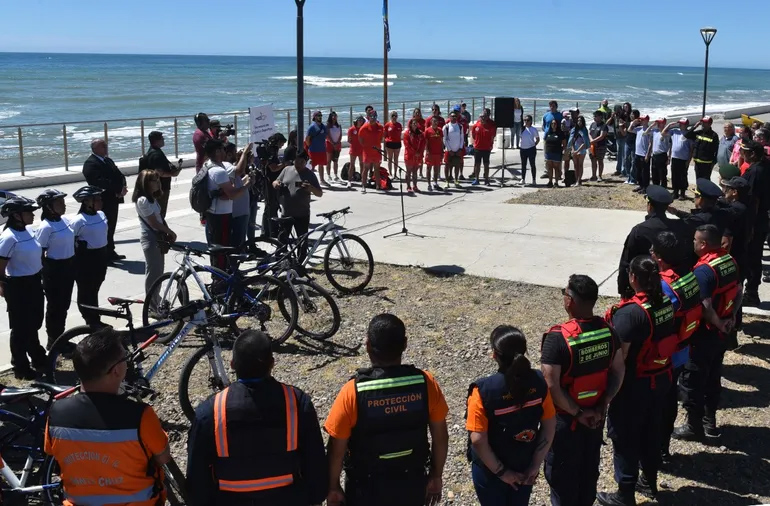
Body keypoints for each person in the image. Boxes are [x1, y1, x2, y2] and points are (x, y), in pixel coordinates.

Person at [187, 329, 328, 506]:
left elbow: (196, 481)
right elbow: (316, 468)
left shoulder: (212, 411)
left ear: (232, 364)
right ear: (272, 363)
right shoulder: (297, 403)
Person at [325, 314, 449, 506]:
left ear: (367, 345)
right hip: (412, 483)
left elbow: (336, 449)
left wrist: (332, 487)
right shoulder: (426, 383)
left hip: (365, 488)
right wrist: (436, 475)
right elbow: (440, 437)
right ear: (405, 344)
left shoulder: (352, 392)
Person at [45, 327, 171, 506]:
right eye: (125, 359)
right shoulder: (140, 415)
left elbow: (52, 453)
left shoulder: (56, 413)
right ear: (116, 371)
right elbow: (163, 457)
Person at [600, 255, 678, 506]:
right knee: (651, 430)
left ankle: (624, 494)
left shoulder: (630, 314)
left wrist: (606, 394)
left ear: (633, 278)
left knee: (625, 437)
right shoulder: (665, 302)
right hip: (662, 379)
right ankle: (650, 480)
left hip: (635, 386)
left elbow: (619, 358)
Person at [541, 275, 625, 506]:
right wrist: (602, 404)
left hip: (567, 422)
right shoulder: (609, 332)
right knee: (588, 472)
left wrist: (578, 413)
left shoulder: (557, 339)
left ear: (570, 301)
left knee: (562, 480)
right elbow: (619, 371)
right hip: (596, 419)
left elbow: (551, 386)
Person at [466, 325, 556, 506]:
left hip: (490, 472)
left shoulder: (482, 391)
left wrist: (502, 472)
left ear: (494, 355)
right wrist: (534, 465)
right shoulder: (539, 381)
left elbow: (478, 440)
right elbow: (549, 426)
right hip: (524, 465)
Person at [673, 224, 738, 442]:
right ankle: (710, 422)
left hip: (705, 333)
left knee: (693, 379)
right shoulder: (729, 260)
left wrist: (719, 323)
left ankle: (693, 425)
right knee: (713, 375)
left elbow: (704, 305)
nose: (692, 243)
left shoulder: (704, 271)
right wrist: (731, 318)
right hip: (722, 332)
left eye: (694, 240)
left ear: (702, 244)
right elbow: (738, 292)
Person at [650, 231, 702, 463]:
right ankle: (663, 446)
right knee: (670, 400)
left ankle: (656, 451)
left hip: (664, 358)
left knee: (657, 405)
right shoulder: (688, 277)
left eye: (652, 251)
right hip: (683, 351)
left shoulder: (662, 287)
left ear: (659, 258)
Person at [617, 185, 692, 299]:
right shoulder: (680, 226)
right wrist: (676, 212)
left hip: (646, 284)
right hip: (674, 282)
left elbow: (626, 262)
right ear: (667, 207)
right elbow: (693, 219)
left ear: (650, 206)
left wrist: (623, 290)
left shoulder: (639, 230)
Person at [0, 196, 47, 380]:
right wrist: (3, 287)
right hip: (18, 286)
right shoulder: (8, 237)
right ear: (17, 216)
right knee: (20, 328)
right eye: (28, 212)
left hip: (34, 282)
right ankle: (20, 366)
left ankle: (37, 356)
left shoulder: (27, 231)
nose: (33, 215)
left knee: (34, 323)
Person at [34, 189, 75, 349]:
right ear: (49, 207)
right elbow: (40, 253)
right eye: (59, 203)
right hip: (54, 270)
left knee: (64, 306)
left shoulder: (64, 221)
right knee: (55, 307)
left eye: (63, 202)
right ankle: (54, 341)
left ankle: (60, 338)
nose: (63, 206)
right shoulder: (46, 227)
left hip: (69, 267)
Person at [203, 139, 251, 269]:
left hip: (211, 213)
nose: (225, 151)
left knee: (216, 247)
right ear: (218, 151)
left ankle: (218, 277)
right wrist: (247, 185)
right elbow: (232, 195)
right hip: (221, 215)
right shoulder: (219, 172)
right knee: (222, 248)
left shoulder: (207, 165)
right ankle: (221, 280)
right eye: (222, 149)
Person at [82, 138, 127, 264]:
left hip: (114, 198)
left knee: (111, 226)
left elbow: (119, 175)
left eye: (106, 146)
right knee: (104, 227)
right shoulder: (90, 163)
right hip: (102, 200)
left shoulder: (108, 160)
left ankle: (110, 250)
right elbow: (98, 182)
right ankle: (103, 254)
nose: (106, 148)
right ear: (95, 149)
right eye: (103, 146)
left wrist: (122, 187)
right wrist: (117, 188)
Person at [133, 170, 177, 296]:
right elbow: (154, 223)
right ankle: (152, 304)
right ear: (145, 183)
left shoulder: (152, 198)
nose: (158, 183)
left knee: (158, 272)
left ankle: (155, 300)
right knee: (153, 273)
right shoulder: (143, 200)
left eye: (158, 180)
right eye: (154, 180)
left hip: (157, 237)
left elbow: (159, 219)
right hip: (150, 238)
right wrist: (170, 232)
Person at [71, 185, 109, 328]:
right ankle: (90, 319)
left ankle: (95, 318)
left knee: (95, 288)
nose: (101, 201)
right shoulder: (79, 221)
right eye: (97, 199)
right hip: (86, 259)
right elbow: (71, 240)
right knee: (86, 290)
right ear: (87, 202)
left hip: (101, 255)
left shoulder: (102, 215)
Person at [273, 150, 323, 257]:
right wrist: (276, 183)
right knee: (282, 240)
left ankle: (300, 263)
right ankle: (278, 261)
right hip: (286, 213)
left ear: (306, 162)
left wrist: (311, 188)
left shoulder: (310, 175)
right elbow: (275, 181)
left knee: (302, 242)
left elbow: (319, 193)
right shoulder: (286, 170)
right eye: (297, 161)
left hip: (302, 214)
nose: (299, 164)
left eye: (302, 162)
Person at [741, 140, 770, 307]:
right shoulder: (765, 166)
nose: (742, 153)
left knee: (751, 258)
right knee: (754, 257)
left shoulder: (755, 171)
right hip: (761, 220)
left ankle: (751, 293)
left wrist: (749, 225)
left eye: (745, 151)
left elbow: (753, 201)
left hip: (754, 221)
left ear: (753, 154)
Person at [144, 130, 181, 218]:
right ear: (157, 141)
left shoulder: (151, 152)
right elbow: (159, 172)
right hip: (161, 188)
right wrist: (173, 174)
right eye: (162, 139)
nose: (163, 140)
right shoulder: (157, 154)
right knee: (160, 212)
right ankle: (159, 230)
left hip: (155, 187)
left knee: (156, 211)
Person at [224, 143, 254, 248]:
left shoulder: (229, 168)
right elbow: (240, 170)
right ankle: (233, 264)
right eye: (234, 152)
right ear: (227, 154)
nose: (236, 154)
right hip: (237, 213)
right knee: (236, 246)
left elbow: (235, 183)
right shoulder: (226, 167)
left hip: (240, 211)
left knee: (238, 243)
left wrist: (245, 180)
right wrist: (245, 153)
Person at [357, 110, 385, 193]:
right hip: (367, 152)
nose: (372, 119)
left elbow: (381, 138)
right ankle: (363, 186)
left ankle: (378, 185)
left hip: (377, 151)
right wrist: (366, 146)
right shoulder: (364, 127)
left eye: (374, 117)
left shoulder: (380, 127)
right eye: (371, 117)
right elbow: (360, 138)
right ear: (368, 117)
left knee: (377, 169)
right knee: (366, 169)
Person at [668, 118, 694, 200]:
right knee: (674, 175)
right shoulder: (675, 131)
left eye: (681, 124)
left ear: (686, 125)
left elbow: (691, 149)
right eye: (679, 123)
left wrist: (689, 161)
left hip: (684, 159)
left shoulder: (689, 134)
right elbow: (663, 133)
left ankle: (682, 193)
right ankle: (675, 192)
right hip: (675, 157)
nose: (680, 125)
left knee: (682, 176)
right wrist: (669, 125)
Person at [471, 109, 496, 186]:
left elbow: (492, 136)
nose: (483, 118)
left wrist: (491, 145)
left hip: (486, 148)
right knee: (477, 164)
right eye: (481, 117)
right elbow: (473, 135)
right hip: (478, 148)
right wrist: (474, 144)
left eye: (484, 117)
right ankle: (477, 179)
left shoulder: (490, 126)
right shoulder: (476, 125)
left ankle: (486, 180)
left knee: (486, 165)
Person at [628, 115, 652, 193]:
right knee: (638, 171)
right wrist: (633, 123)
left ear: (647, 121)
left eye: (643, 120)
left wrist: (647, 154)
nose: (641, 121)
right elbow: (629, 130)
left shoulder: (649, 130)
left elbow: (650, 144)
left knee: (645, 172)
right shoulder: (639, 129)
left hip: (644, 154)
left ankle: (645, 187)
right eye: (640, 120)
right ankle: (641, 185)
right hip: (637, 153)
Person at [305, 111, 328, 186]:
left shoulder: (323, 126)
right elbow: (307, 139)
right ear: (314, 117)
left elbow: (326, 136)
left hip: (322, 150)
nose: (320, 117)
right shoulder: (312, 127)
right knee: (312, 167)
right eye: (318, 115)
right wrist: (310, 146)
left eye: (321, 115)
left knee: (321, 165)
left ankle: (322, 180)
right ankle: (310, 182)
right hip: (313, 150)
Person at [443, 110, 465, 189]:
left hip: (457, 150)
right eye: (452, 116)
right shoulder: (446, 127)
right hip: (449, 151)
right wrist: (449, 149)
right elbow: (444, 139)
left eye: (455, 116)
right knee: (447, 166)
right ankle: (447, 181)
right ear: (449, 117)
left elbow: (462, 138)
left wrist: (460, 148)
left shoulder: (460, 126)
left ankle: (456, 180)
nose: (454, 117)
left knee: (457, 166)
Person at [403, 118, 426, 193]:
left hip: (418, 156)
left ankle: (415, 186)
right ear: (410, 124)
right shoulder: (407, 133)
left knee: (415, 171)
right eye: (413, 123)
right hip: (409, 155)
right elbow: (407, 145)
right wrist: (414, 152)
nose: (415, 124)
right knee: (408, 171)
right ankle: (408, 186)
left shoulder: (420, 133)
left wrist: (420, 152)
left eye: (416, 123)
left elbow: (423, 144)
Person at [648, 118, 671, 188]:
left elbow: (670, 146)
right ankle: (655, 188)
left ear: (664, 124)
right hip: (654, 155)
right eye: (657, 123)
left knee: (662, 174)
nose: (658, 124)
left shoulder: (667, 133)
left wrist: (669, 158)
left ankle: (663, 189)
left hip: (662, 155)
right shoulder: (655, 131)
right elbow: (646, 132)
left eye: (659, 123)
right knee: (654, 174)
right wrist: (652, 125)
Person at [544, 119, 566, 188]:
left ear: (557, 125)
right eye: (552, 124)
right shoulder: (548, 132)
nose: (553, 125)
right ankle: (550, 181)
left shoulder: (560, 133)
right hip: (549, 153)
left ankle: (556, 182)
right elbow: (545, 142)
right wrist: (545, 152)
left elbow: (564, 144)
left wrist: (563, 151)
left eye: (555, 123)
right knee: (549, 168)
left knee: (556, 168)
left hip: (557, 153)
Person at [425, 117, 444, 192]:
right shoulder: (427, 131)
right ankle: (429, 184)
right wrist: (427, 151)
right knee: (429, 168)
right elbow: (426, 142)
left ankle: (435, 183)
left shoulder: (440, 130)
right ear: (431, 122)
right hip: (430, 153)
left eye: (436, 121)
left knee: (436, 169)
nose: (435, 123)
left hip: (438, 153)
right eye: (434, 121)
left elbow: (441, 141)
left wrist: (442, 151)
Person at [589, 110, 609, 182]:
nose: (594, 117)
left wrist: (594, 141)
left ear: (600, 117)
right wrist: (591, 141)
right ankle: (593, 175)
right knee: (593, 161)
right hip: (592, 146)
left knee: (600, 161)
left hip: (601, 146)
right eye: (594, 116)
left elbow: (602, 136)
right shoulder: (592, 124)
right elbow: (589, 133)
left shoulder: (604, 125)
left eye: (596, 116)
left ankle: (600, 176)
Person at [569, 116, 590, 185]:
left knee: (580, 165)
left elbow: (585, 142)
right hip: (574, 149)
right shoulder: (574, 130)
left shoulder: (584, 130)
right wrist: (573, 150)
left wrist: (577, 151)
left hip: (581, 149)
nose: (579, 122)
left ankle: (579, 180)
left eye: (580, 121)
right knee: (575, 165)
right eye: (578, 120)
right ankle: (576, 180)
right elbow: (571, 141)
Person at [519, 115, 540, 186]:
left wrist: (534, 145)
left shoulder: (533, 129)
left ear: (531, 121)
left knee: (532, 164)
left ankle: (534, 180)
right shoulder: (522, 129)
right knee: (523, 164)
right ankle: (523, 179)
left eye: (527, 120)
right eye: (524, 120)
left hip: (531, 148)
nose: (526, 122)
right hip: (523, 149)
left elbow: (537, 139)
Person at [384, 111, 403, 180]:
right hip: (389, 144)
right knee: (390, 159)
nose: (394, 117)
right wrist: (387, 141)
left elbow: (399, 133)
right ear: (390, 116)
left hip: (397, 143)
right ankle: (390, 174)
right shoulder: (387, 125)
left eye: (395, 116)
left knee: (396, 159)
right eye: (392, 116)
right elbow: (385, 135)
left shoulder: (399, 125)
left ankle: (395, 174)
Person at [347, 116, 365, 187]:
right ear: (356, 121)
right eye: (359, 120)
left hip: (361, 149)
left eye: (361, 120)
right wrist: (355, 144)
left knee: (362, 165)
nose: (360, 121)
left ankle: (362, 179)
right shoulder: (351, 129)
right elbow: (349, 140)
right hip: (353, 149)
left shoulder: (363, 129)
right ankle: (349, 181)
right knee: (352, 165)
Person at [623, 110, 640, 186]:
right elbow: (626, 131)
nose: (631, 115)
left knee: (633, 161)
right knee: (626, 159)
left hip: (634, 143)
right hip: (627, 142)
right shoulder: (628, 122)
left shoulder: (638, 124)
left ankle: (633, 179)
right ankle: (628, 177)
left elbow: (631, 130)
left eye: (633, 114)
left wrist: (633, 123)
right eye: (631, 114)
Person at [326, 111, 343, 182]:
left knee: (335, 161)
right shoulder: (328, 126)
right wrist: (333, 143)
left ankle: (336, 175)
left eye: (335, 116)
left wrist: (337, 142)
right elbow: (327, 136)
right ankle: (329, 176)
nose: (334, 117)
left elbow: (340, 135)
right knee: (328, 161)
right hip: (329, 145)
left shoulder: (339, 126)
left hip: (337, 145)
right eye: (333, 116)